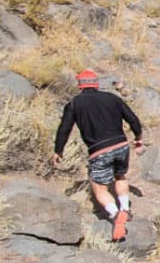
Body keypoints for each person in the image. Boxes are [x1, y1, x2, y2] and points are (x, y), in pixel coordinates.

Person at [53, 69, 145, 241]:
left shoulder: (74, 104)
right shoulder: (112, 98)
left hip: (99, 150)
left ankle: (115, 214)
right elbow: (133, 119)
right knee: (120, 176)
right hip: (121, 145)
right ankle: (125, 208)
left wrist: (58, 150)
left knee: (98, 187)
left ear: (80, 85)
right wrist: (138, 138)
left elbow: (64, 129)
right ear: (96, 83)